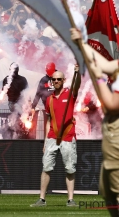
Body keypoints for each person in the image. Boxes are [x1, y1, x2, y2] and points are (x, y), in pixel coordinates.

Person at [71, 27, 119, 217]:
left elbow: (111, 104)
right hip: (112, 134)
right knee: (108, 192)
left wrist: (97, 78)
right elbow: (106, 64)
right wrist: (81, 43)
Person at [30, 65, 81, 207]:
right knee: (46, 168)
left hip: (68, 136)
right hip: (52, 137)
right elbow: (48, 121)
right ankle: (42, 199)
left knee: (70, 169)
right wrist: (46, 141)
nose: (57, 81)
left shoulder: (70, 94)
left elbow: (77, 86)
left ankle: (70, 199)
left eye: (59, 79)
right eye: (54, 79)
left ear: (64, 80)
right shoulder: (49, 100)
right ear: (51, 81)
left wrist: (78, 74)